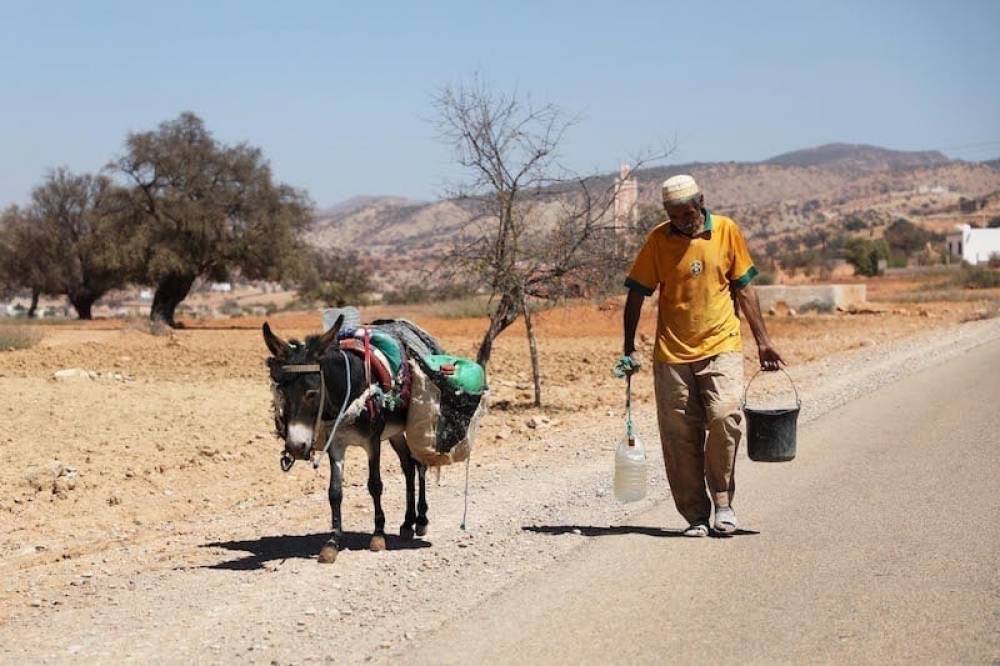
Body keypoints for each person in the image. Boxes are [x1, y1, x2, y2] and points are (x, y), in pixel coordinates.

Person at [616, 174, 784, 537]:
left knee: (726, 415)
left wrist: (763, 341)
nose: (682, 220)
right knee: (679, 434)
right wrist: (628, 347)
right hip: (672, 354)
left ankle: (723, 501)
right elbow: (636, 293)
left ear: (701, 202)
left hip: (721, 344)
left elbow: (745, 289)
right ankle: (695, 515)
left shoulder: (726, 231)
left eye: (687, 213)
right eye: (674, 215)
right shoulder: (658, 240)